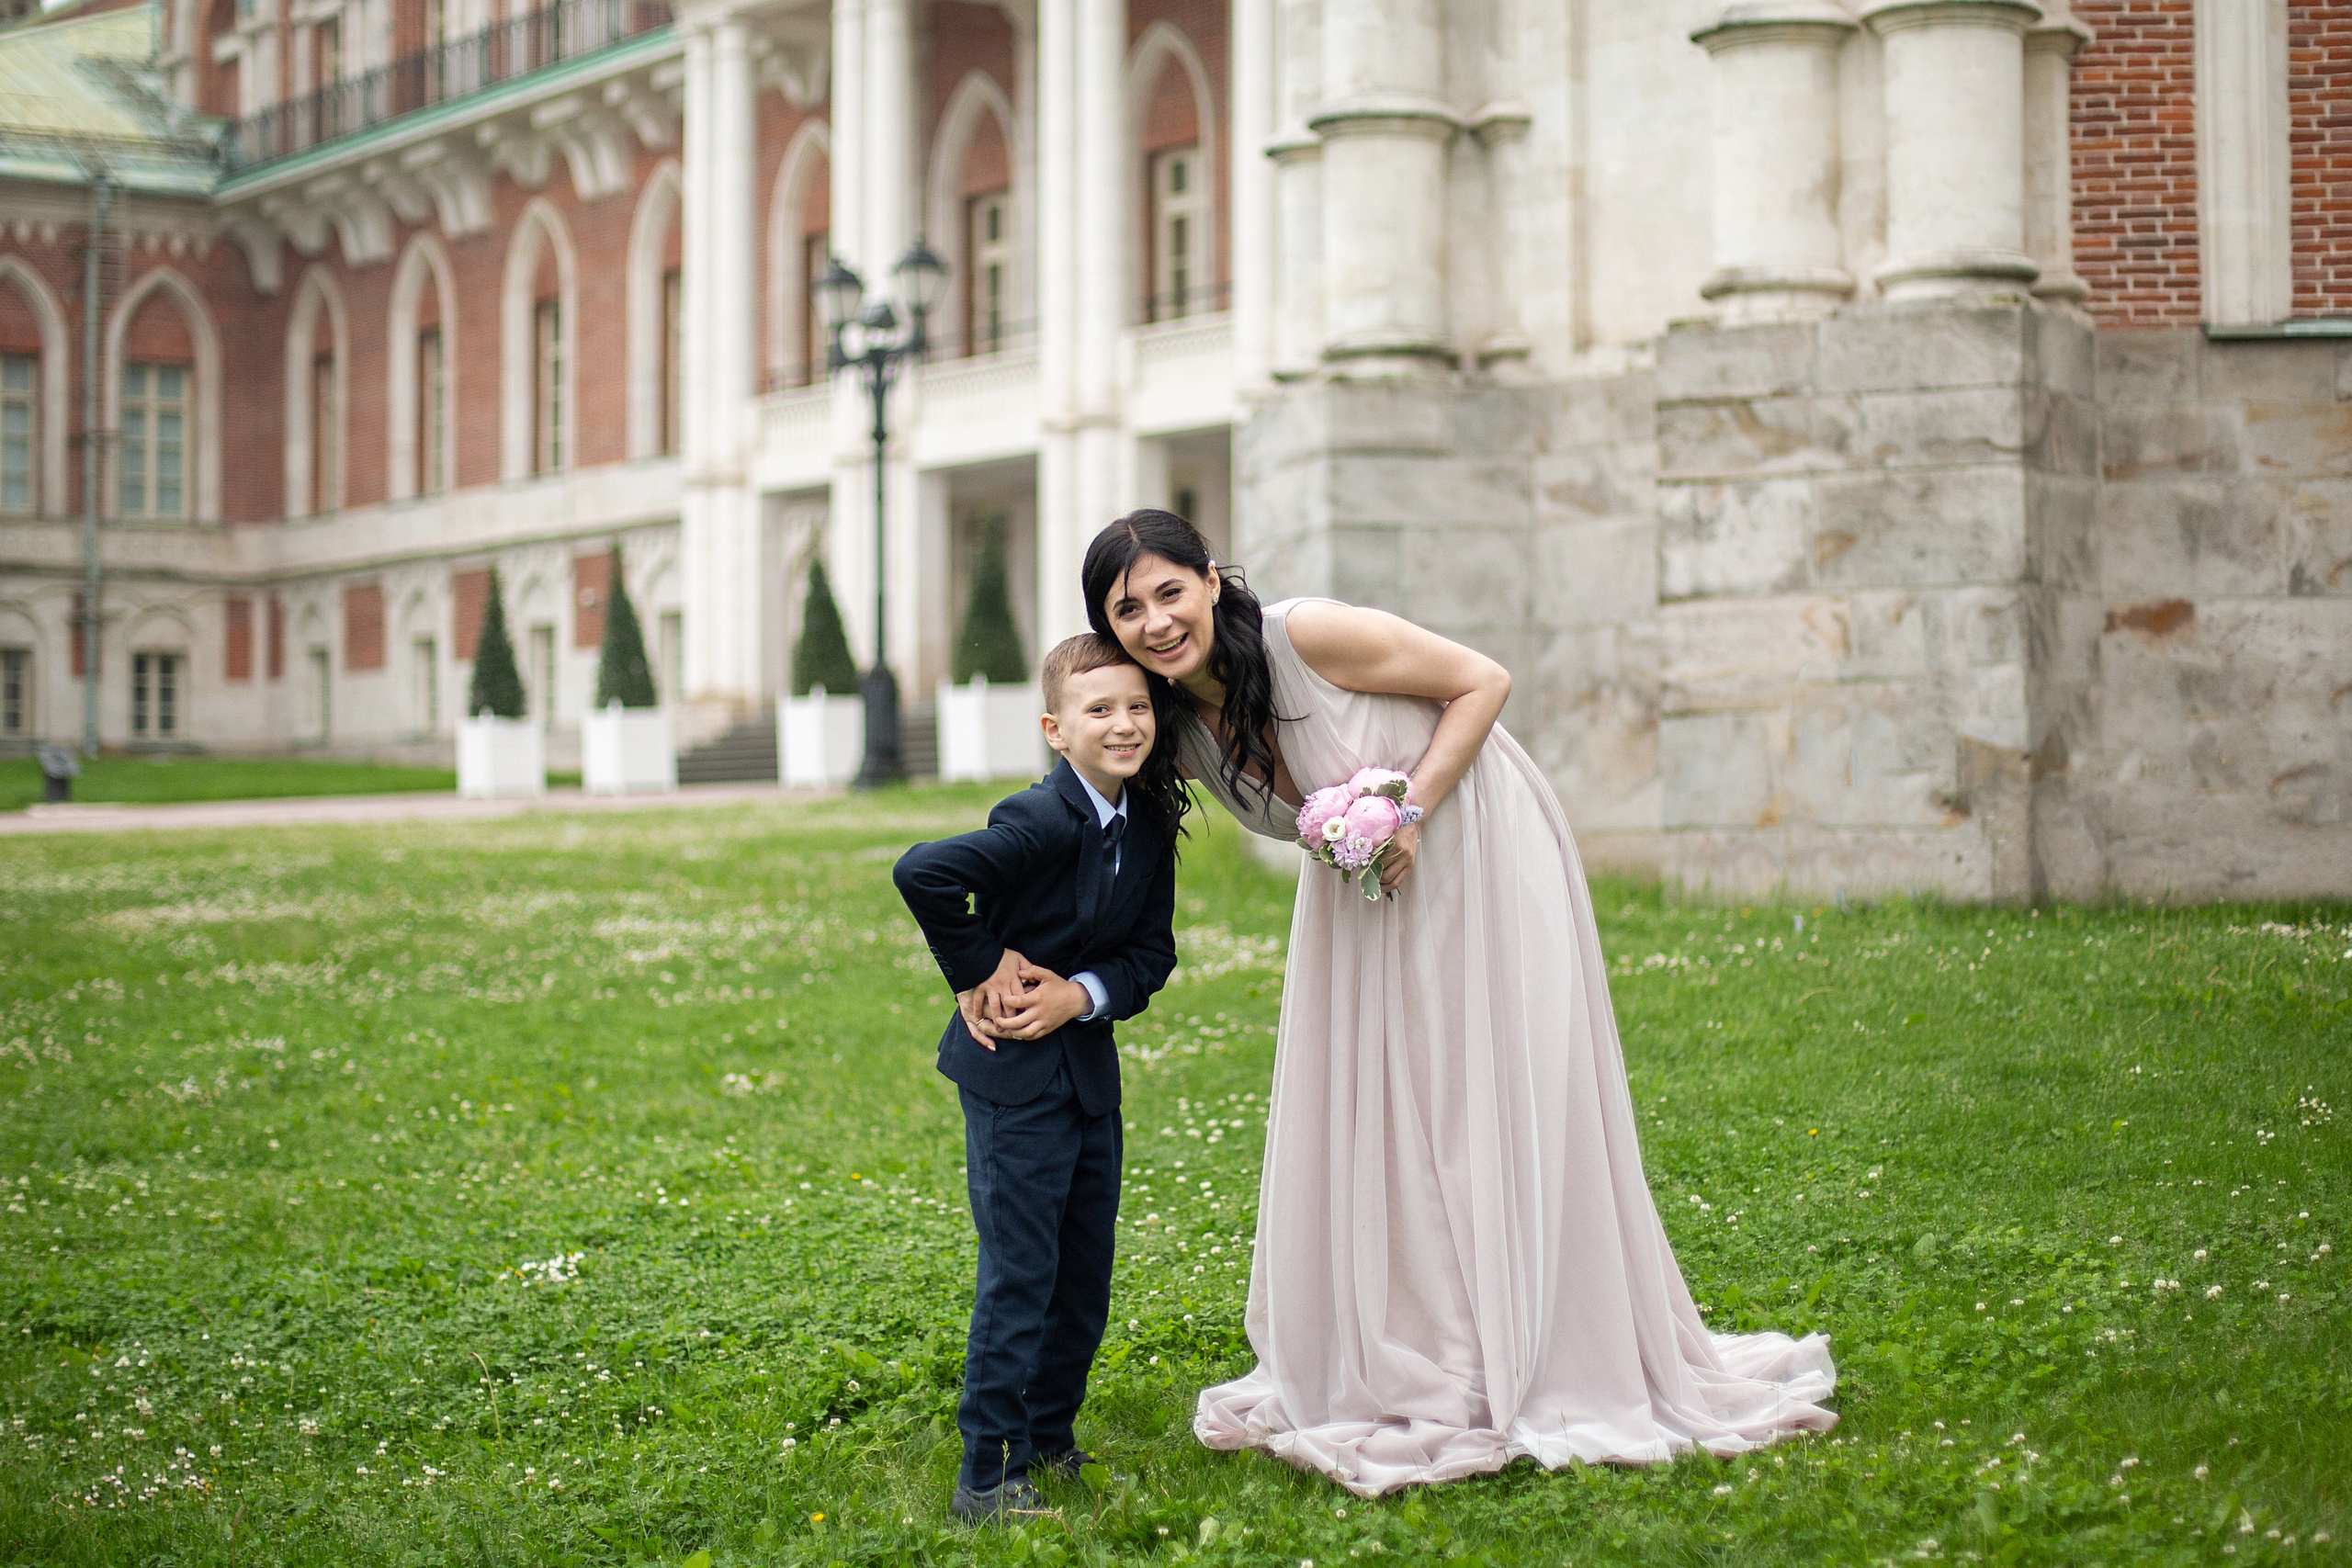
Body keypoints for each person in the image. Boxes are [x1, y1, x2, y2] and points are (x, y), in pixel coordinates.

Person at [1083, 510, 1838, 1498]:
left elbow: (1481, 680)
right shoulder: (1175, 728)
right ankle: (1428, 1339)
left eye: (1167, 591)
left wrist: (1406, 811)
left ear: (1212, 580)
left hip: (1470, 841)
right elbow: (1095, 842)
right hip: (1360, 900)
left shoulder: (1306, 636)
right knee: (1390, 1123)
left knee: (1478, 1095)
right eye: (1126, 609)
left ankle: (1535, 1339)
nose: (1154, 621)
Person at [892, 633, 1182, 1521]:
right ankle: (986, 1475)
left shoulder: (1152, 820)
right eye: (1101, 709)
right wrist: (979, 966)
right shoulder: (1039, 816)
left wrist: (1081, 995)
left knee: (1083, 1272)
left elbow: (1150, 954)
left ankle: (1049, 1441)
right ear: (1059, 729)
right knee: (1022, 1271)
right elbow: (924, 871)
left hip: (1088, 1075)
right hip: (1013, 1077)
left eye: (1137, 705)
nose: (1125, 723)